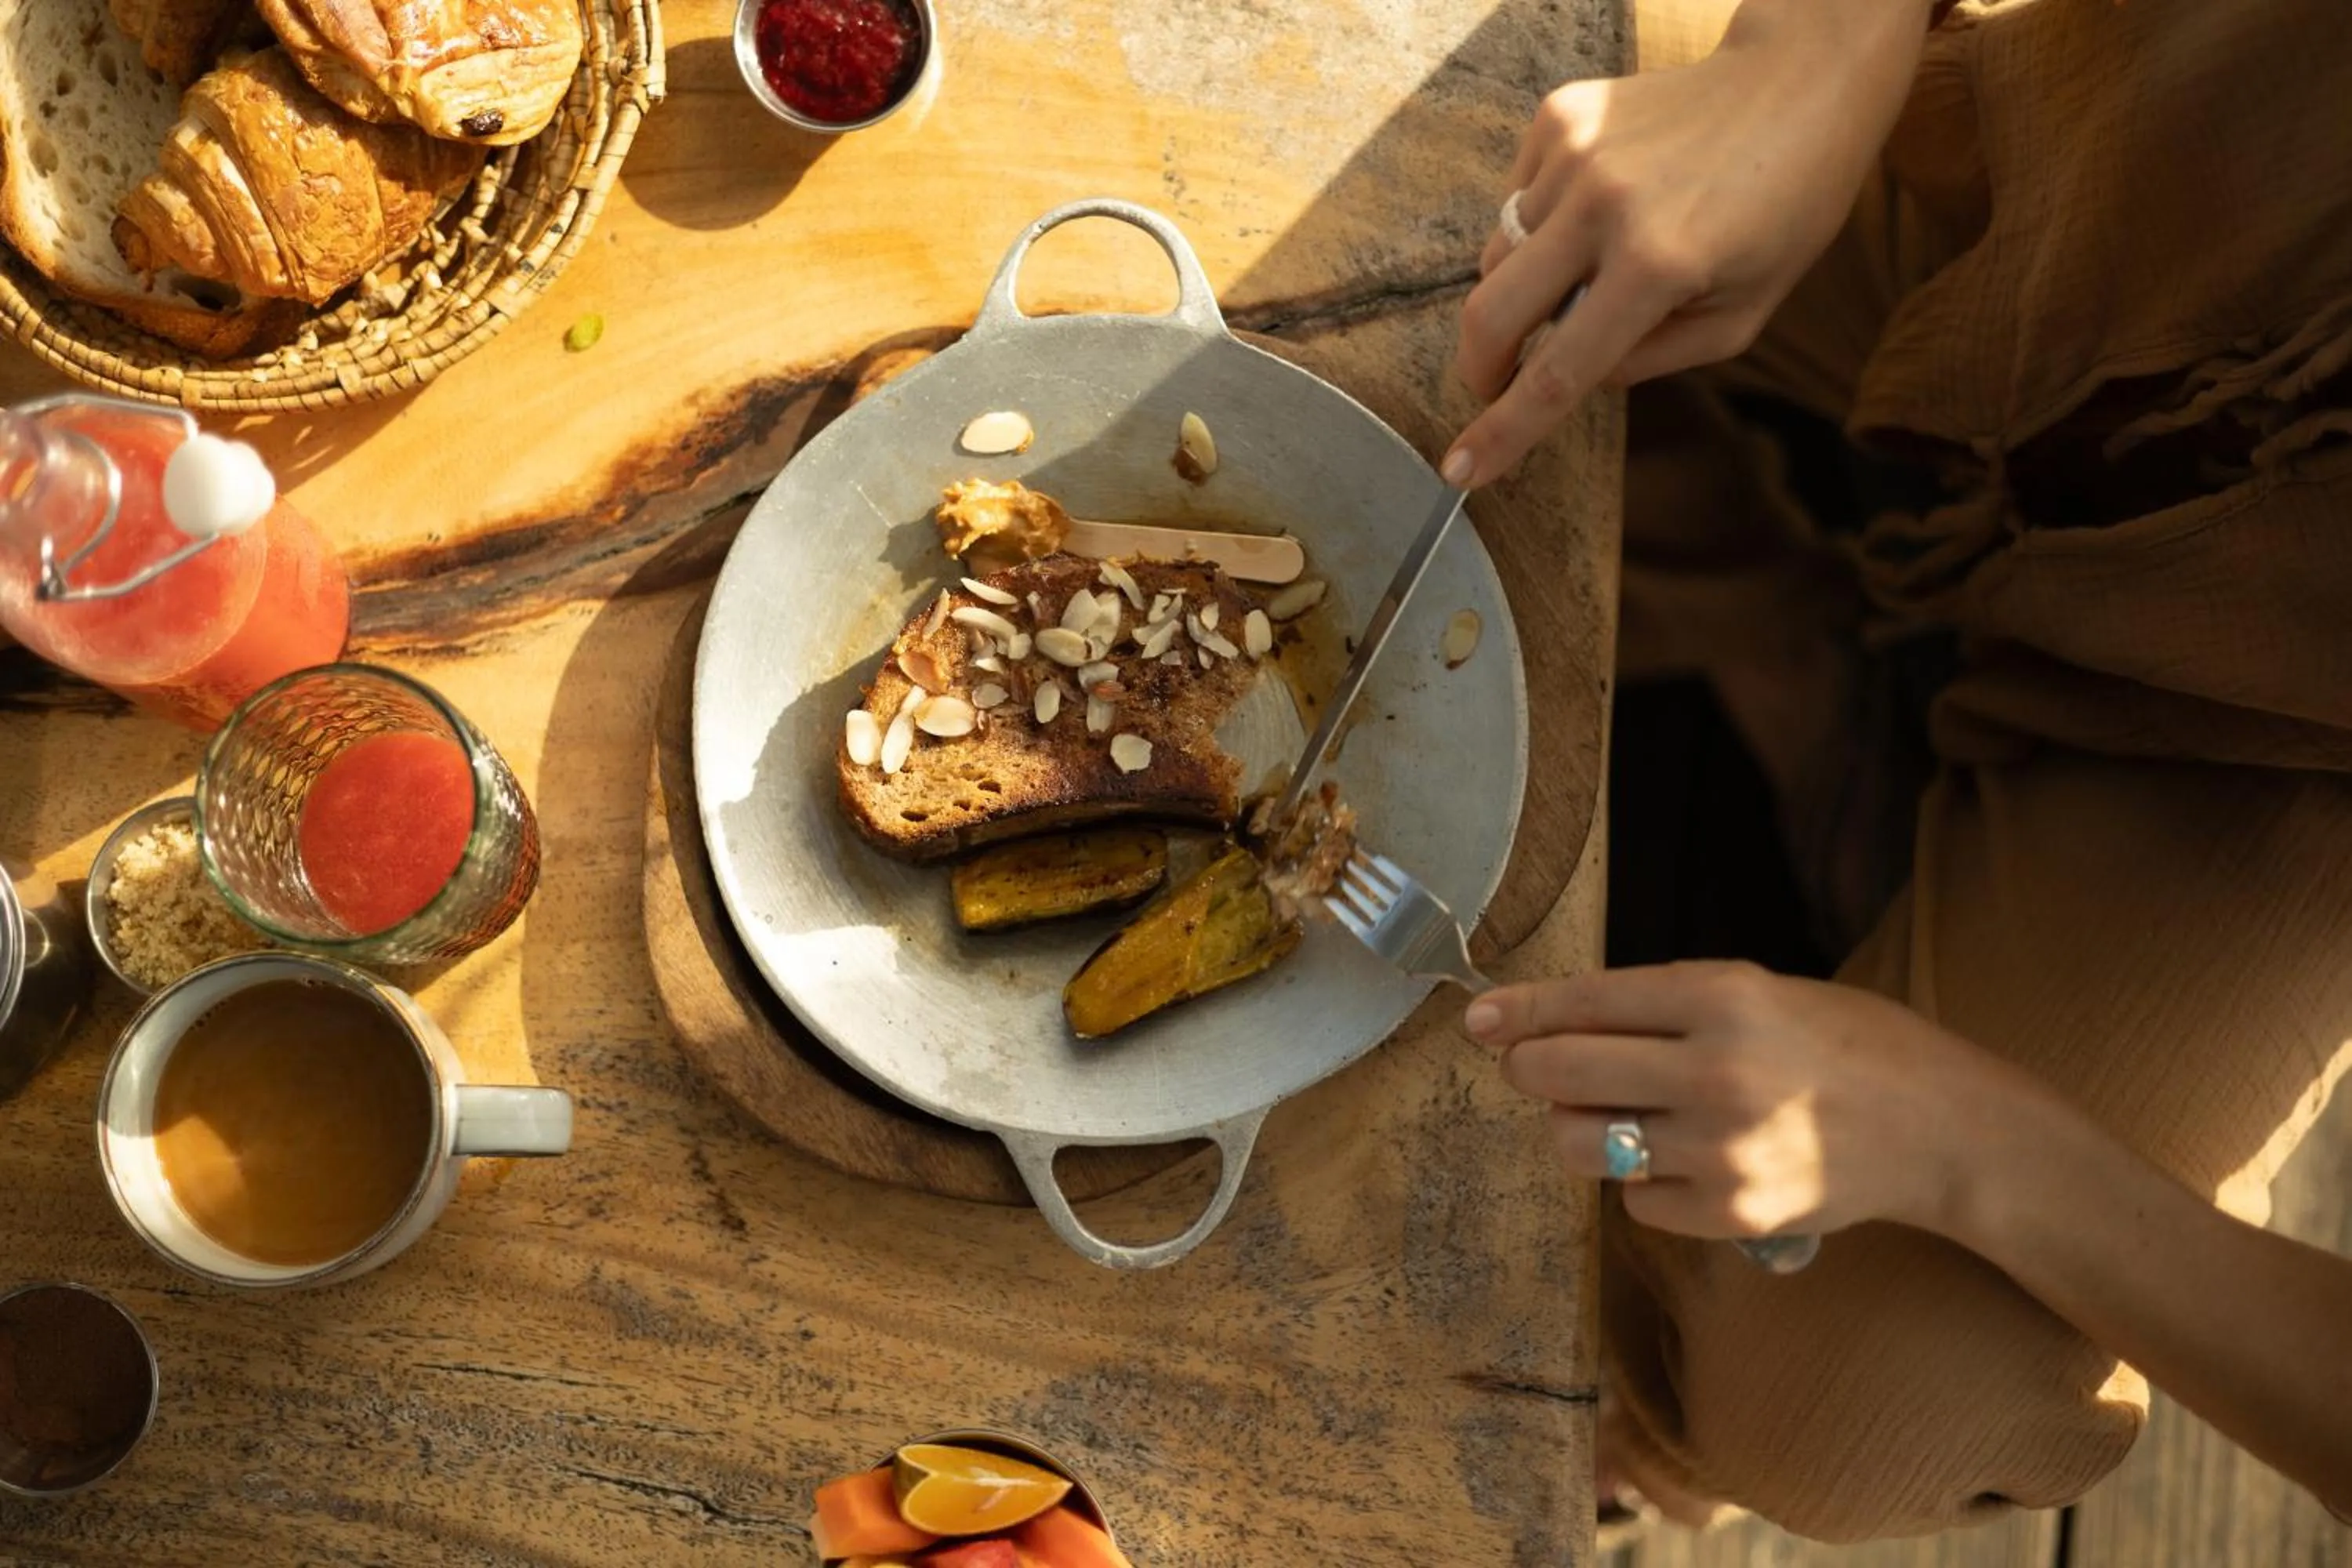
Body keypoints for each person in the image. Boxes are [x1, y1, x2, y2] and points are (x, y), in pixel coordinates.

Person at [1445, 0, 2352, 1540]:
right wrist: (1810, 65)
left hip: (2265, 745)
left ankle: (1782, 643)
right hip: (2123, 144)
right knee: (1505, 147)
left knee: (1866, 1396)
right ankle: (1763, 623)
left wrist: (1966, 1145)